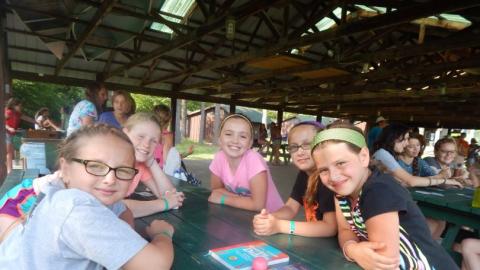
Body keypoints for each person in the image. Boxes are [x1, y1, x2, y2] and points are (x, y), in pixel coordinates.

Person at [0, 124, 174, 269]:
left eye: (122, 170)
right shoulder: (78, 207)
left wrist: (122, 235)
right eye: (96, 166)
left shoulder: (62, 191)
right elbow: (156, 265)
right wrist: (162, 234)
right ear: (65, 169)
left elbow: (123, 209)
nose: (110, 179)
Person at [311, 124, 459, 270]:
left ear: (363, 157)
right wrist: (352, 249)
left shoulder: (378, 190)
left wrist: (354, 249)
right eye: (323, 170)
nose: (333, 176)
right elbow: (345, 230)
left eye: (341, 163)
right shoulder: (341, 193)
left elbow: (384, 263)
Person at [252, 121, 337, 237]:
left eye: (307, 144)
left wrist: (280, 226)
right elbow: (290, 207)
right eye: (294, 147)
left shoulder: (328, 178)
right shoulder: (304, 174)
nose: (300, 152)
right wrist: (270, 218)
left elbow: (330, 227)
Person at [208, 114, 283, 212]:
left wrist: (224, 199)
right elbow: (216, 191)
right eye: (228, 134)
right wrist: (245, 201)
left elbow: (258, 206)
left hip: (271, 219)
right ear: (219, 139)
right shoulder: (219, 158)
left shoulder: (254, 160)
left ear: (250, 143)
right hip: (245, 215)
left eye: (243, 136)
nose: (235, 140)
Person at [122, 112, 184, 218]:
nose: (146, 145)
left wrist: (151, 162)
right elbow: (113, 207)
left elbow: (167, 194)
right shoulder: (111, 160)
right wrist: (164, 204)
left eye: (153, 141)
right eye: (141, 136)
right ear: (125, 133)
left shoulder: (140, 165)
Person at [372, 123, 462, 188]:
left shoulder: (385, 154)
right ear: (395, 138)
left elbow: (403, 183)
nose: (407, 143)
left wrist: (444, 179)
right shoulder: (383, 154)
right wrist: (444, 180)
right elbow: (412, 181)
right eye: (406, 139)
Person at [152, 104, 193, 169]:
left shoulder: (147, 133)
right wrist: (187, 153)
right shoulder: (167, 136)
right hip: (160, 173)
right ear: (169, 119)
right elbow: (168, 160)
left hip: (147, 172)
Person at [4, 98, 35, 174]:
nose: (21, 107)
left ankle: (12, 168)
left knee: (12, 151)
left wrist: (37, 122)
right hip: (6, 133)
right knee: (9, 152)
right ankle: (9, 170)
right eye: (19, 106)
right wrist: (9, 128)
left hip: (11, 134)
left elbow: (26, 118)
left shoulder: (18, 114)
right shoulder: (9, 112)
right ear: (14, 105)